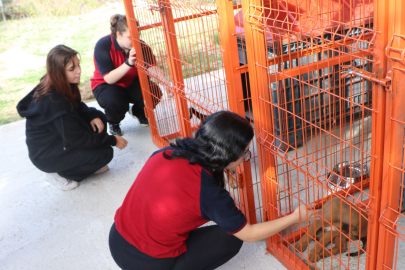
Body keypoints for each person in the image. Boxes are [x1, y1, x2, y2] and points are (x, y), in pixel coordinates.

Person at [109, 110, 318, 270]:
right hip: (147, 263)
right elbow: (249, 234)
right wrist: (294, 217)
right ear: (228, 155)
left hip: (117, 237)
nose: (245, 159)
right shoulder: (209, 193)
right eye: (244, 154)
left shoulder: (168, 152)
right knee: (231, 237)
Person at [17, 45, 128, 191]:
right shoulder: (54, 102)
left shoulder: (63, 84)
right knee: (105, 153)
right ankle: (58, 174)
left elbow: (77, 106)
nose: (79, 70)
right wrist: (112, 140)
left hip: (61, 139)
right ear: (58, 72)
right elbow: (80, 138)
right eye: (72, 68)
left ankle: (82, 164)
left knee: (99, 117)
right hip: (49, 155)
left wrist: (91, 115)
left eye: (78, 65)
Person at [91, 14, 171, 136]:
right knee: (116, 103)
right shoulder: (103, 45)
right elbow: (108, 78)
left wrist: (166, 83)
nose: (135, 41)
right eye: (130, 37)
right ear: (118, 34)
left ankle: (138, 112)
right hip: (106, 85)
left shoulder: (140, 45)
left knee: (154, 92)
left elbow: (151, 67)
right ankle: (113, 122)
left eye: (137, 36)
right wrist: (128, 63)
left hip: (131, 81)